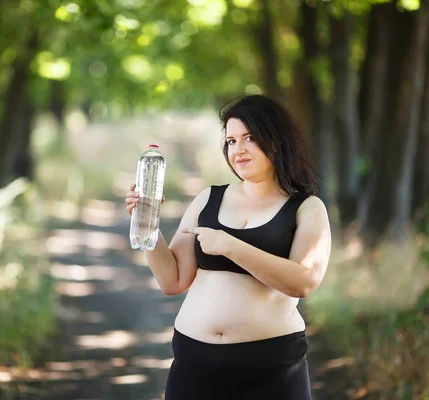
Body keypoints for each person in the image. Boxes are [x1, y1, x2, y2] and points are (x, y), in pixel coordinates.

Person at [124, 93, 331, 399]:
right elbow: (173, 280)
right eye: (231, 141)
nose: (239, 149)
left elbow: (303, 282)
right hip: (195, 365)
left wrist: (231, 246)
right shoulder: (209, 199)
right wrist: (147, 224)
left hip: (271, 369)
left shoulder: (307, 208)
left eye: (249, 138)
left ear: (275, 141)